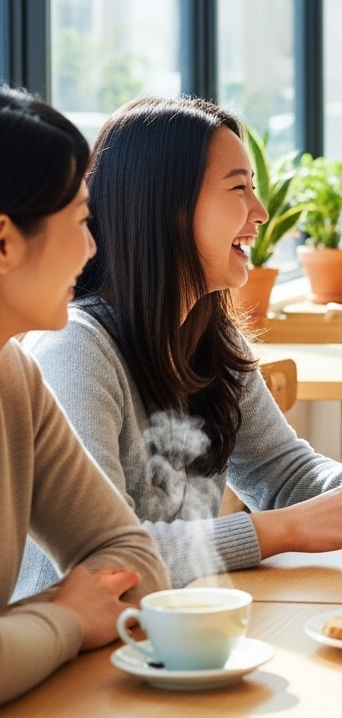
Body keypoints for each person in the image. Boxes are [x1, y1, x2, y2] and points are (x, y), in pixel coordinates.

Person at [15, 96, 342, 597]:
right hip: (83, 655)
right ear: (171, 209)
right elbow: (107, 562)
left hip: (179, 627)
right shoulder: (74, 350)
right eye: (239, 188)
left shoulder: (209, 336)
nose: (261, 212)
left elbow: (282, 471)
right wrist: (279, 531)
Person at [0, 87, 168, 704]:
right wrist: (65, 618)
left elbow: (133, 558)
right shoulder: (66, 353)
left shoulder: (13, 376)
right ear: (3, 241)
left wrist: (22, 630)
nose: (92, 247)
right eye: (78, 221)